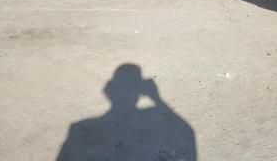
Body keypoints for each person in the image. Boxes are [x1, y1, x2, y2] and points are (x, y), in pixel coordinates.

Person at [56, 64, 197, 161]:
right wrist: (157, 99)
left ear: (108, 90)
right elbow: (185, 131)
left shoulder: (79, 129)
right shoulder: (79, 129)